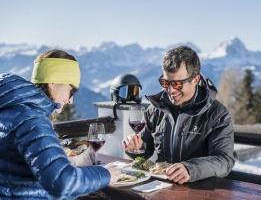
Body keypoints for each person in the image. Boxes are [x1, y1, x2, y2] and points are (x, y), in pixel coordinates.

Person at [0, 49, 120, 199]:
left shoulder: (11, 109)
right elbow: (62, 182)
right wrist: (105, 174)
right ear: (53, 81)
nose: (71, 100)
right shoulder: (32, 119)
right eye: (72, 91)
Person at [123, 46, 235, 184]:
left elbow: (224, 160)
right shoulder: (155, 109)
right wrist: (135, 148)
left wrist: (190, 169)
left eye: (176, 84)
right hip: (160, 187)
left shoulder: (217, 114)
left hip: (199, 190)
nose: (170, 90)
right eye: (165, 82)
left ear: (195, 80)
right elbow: (146, 150)